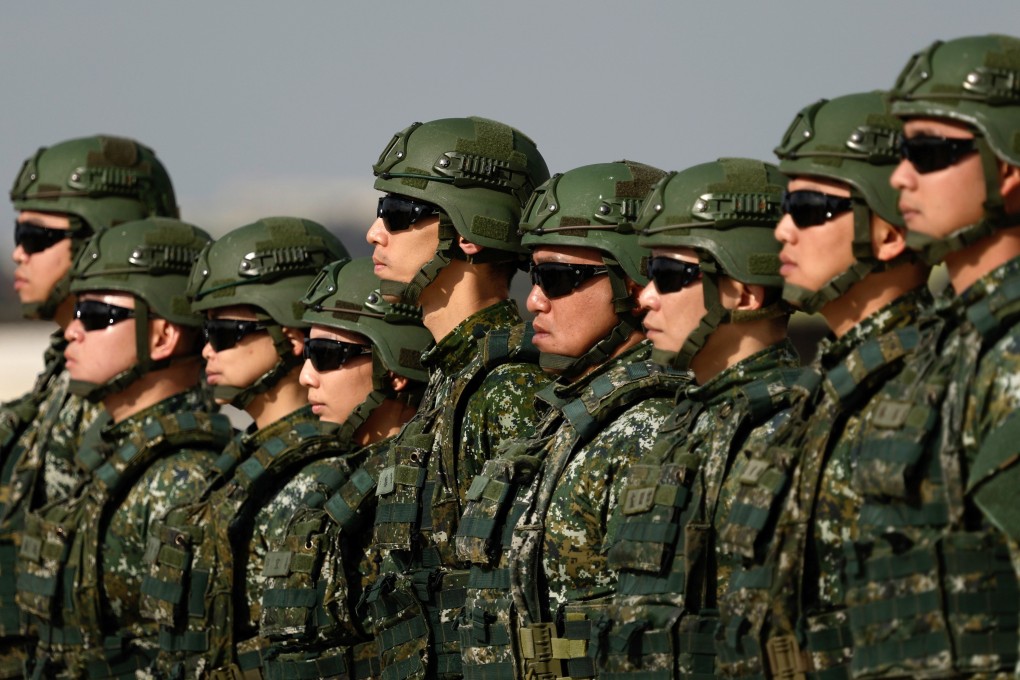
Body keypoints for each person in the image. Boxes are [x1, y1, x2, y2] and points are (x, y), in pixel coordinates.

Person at [714, 92, 933, 679]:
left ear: (887, 234)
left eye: (810, 209)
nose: (781, 231)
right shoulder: (812, 396)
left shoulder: (931, 386)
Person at [454, 160, 689, 679]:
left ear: (632, 283)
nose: (534, 300)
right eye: (534, 276)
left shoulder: (651, 428)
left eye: (559, 278)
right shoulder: (566, 418)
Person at [843, 35, 1020, 678]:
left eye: (928, 152)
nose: (899, 178)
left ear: (1006, 167)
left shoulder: (1009, 356)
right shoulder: (950, 343)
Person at [592, 157, 804, 678]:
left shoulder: (791, 428)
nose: (644, 299)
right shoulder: (682, 422)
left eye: (669, 276)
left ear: (746, 291)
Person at [360, 116, 551, 679]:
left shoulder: (507, 388)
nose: (375, 233)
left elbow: (515, 597)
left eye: (399, 215)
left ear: (467, 233)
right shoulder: (451, 378)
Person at [17, 218, 232, 679]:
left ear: (161, 337)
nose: (72, 331)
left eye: (96, 316)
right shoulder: (114, 457)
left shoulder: (182, 479)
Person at [138, 217, 350, 678]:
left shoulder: (323, 475)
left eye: (225, 333)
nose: (207, 350)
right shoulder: (245, 458)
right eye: (204, 331)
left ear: (291, 337)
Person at [0, 135, 177, 677]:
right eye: (18, 233)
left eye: (35, 236)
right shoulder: (58, 380)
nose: (17, 253)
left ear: (104, 238)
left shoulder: (134, 398)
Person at [255, 257, 432, 679]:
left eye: (326, 356)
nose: (306, 378)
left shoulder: (427, 483)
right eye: (306, 354)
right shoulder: (342, 477)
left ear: (392, 368)